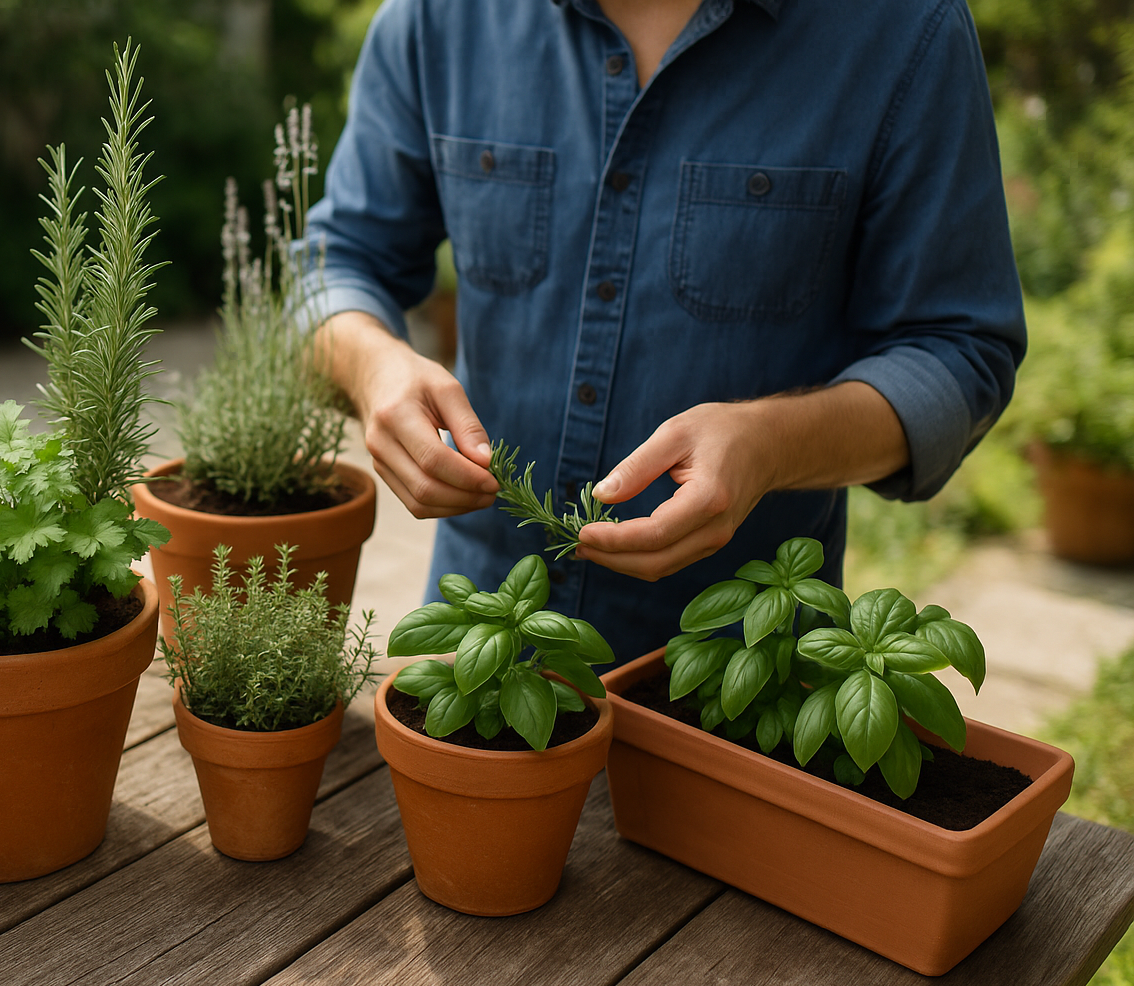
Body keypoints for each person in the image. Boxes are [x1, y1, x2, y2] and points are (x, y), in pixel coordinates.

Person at [305, 0, 1026, 659]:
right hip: (478, 657)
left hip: (738, 675)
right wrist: (372, 366)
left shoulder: (904, 28)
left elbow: (960, 352)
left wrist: (770, 447)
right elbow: (333, 265)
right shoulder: (439, 17)